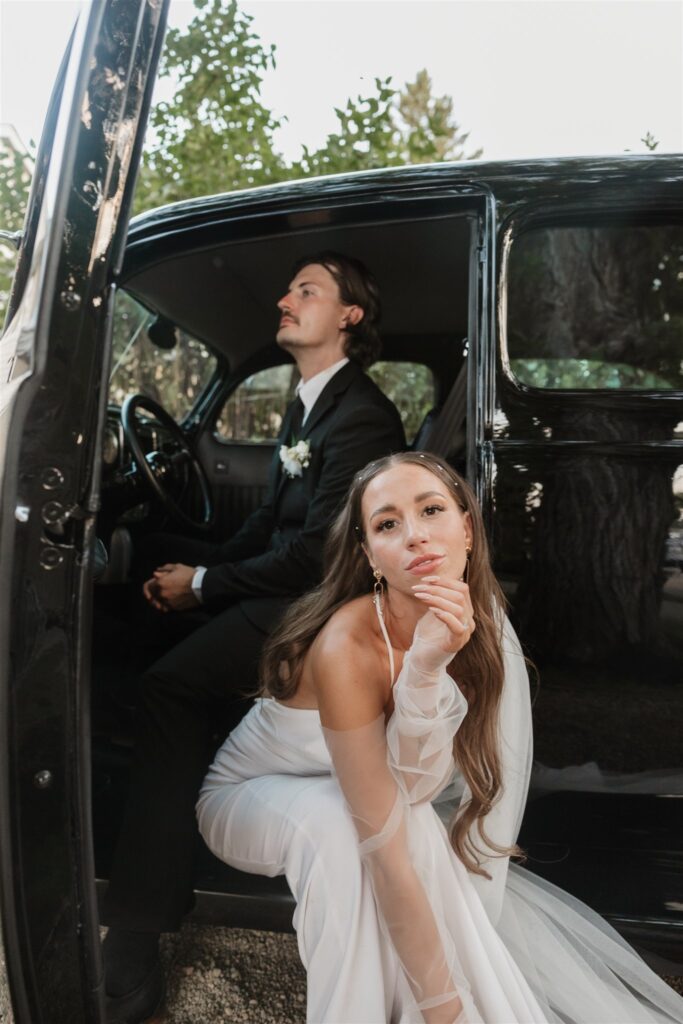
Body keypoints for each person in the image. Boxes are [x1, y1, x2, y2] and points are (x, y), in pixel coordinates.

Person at [198, 451, 683, 1024]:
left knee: (410, 829)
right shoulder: (346, 647)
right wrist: (443, 1007)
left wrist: (426, 669)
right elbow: (384, 841)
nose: (415, 537)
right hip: (250, 794)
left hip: (363, 789)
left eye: (431, 510)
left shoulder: (476, 622)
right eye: (387, 524)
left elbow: (416, 788)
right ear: (369, 556)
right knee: (349, 829)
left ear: (468, 529)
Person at [102, 252, 406, 1022]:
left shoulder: (361, 414)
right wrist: (190, 567)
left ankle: (137, 928)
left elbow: (322, 555)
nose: (283, 297)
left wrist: (204, 586)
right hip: (293, 585)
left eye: (306, 290)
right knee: (143, 602)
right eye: (288, 287)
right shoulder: (306, 405)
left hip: (321, 608)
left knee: (167, 685)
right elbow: (273, 525)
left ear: (348, 317)